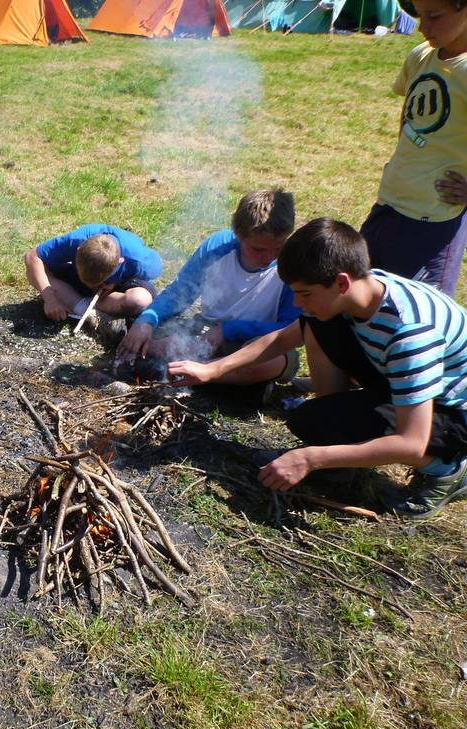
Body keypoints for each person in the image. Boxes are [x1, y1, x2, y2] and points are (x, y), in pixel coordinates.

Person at [169, 218, 467, 519]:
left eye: (305, 294)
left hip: (452, 411)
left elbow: (411, 442)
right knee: (316, 331)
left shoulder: (411, 334)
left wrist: (311, 458)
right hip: (403, 381)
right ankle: (339, 451)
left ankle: (447, 471)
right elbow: (284, 338)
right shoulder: (360, 290)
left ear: (341, 282)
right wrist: (213, 370)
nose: (298, 303)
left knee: (329, 425)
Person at [117, 189, 299, 396]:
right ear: (238, 234)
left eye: (277, 247)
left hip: (259, 342)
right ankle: (236, 384)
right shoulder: (218, 247)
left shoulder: (292, 263)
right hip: (205, 335)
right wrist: (147, 320)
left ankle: (192, 373)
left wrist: (229, 330)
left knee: (276, 362)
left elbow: (290, 329)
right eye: (258, 249)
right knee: (160, 339)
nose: (268, 257)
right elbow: (180, 294)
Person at [360, 0, 467, 295]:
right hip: (389, 203)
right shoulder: (420, 56)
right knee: (363, 296)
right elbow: (408, 115)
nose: (422, 26)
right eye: (419, 15)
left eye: (434, 16)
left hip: (435, 218)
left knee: (418, 314)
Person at [23, 224, 162, 335]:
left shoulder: (139, 260)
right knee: (40, 269)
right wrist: (49, 297)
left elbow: (157, 271)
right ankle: (88, 311)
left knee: (140, 299)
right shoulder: (76, 240)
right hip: (74, 279)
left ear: (120, 262)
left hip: (115, 288)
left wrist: (114, 283)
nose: (90, 286)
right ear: (78, 250)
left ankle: (80, 306)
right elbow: (32, 257)